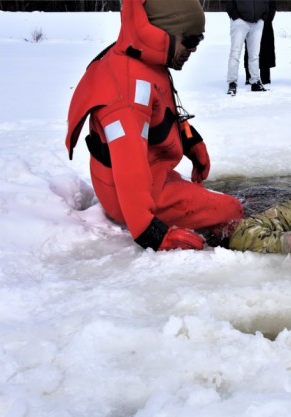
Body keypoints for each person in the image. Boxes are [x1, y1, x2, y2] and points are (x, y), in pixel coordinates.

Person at [65, 0, 243, 251]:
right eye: (190, 40)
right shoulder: (127, 89)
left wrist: (191, 140)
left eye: (199, 40)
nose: (193, 49)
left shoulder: (143, 60)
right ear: (161, 34)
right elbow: (129, 163)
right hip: (129, 193)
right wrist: (150, 232)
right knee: (231, 209)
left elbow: (161, 115)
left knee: (212, 199)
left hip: (150, 173)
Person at [221, 0, 271, 95]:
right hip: (240, 21)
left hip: (257, 22)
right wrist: (234, 15)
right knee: (235, 53)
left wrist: (264, 15)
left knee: (255, 54)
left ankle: (255, 82)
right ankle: (232, 83)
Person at [244, 0, 276, 85]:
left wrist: (267, 18)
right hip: (249, 21)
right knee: (250, 49)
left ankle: (265, 78)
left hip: (265, 23)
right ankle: (249, 76)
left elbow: (272, 4)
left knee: (266, 50)